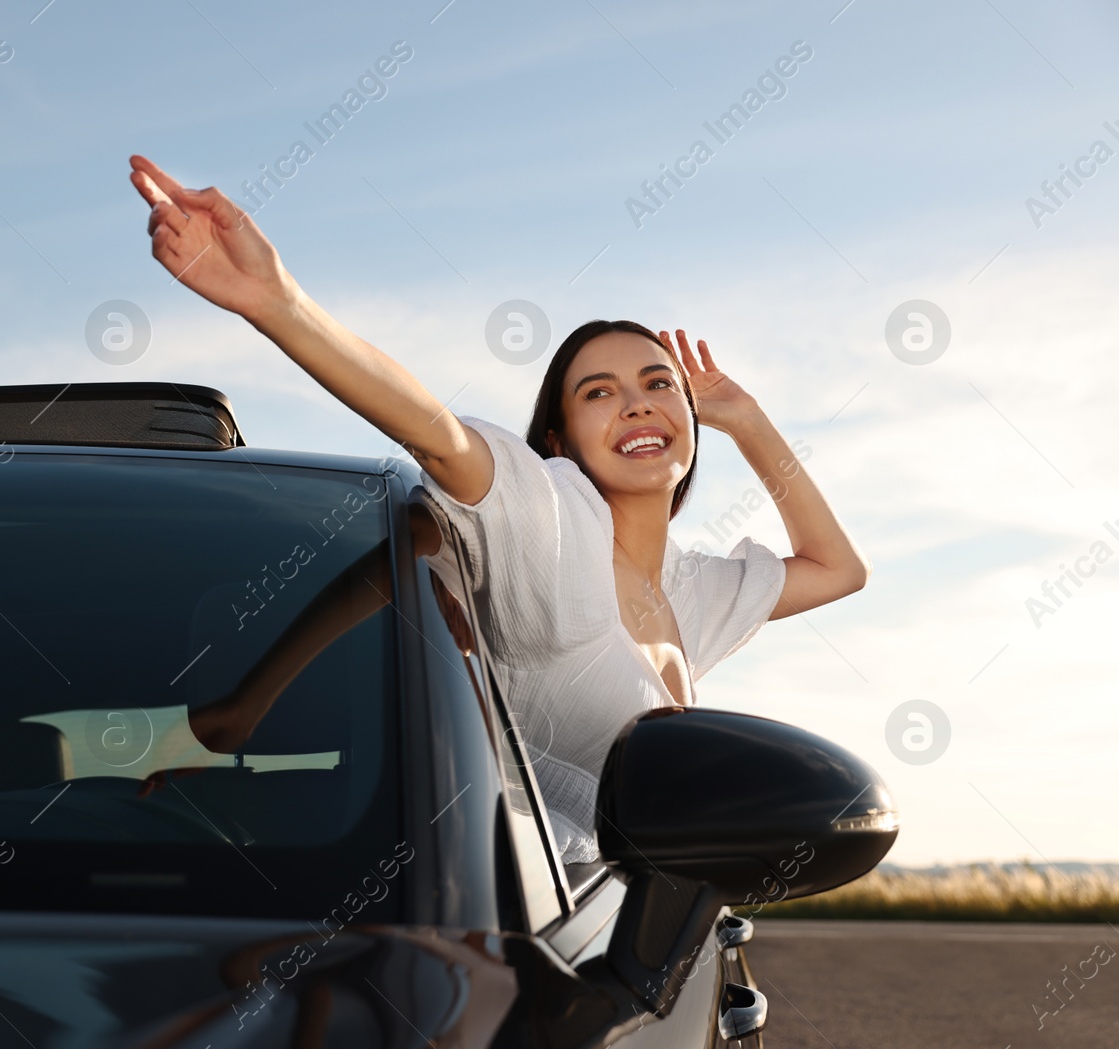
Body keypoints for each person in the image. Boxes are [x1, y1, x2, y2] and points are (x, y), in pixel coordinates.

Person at [128, 155, 870, 861]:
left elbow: (839, 570)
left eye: (658, 383)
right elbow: (441, 439)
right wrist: (279, 305)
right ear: (558, 439)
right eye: (599, 392)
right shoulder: (557, 522)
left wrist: (745, 416)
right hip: (541, 941)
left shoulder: (691, 587)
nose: (638, 404)